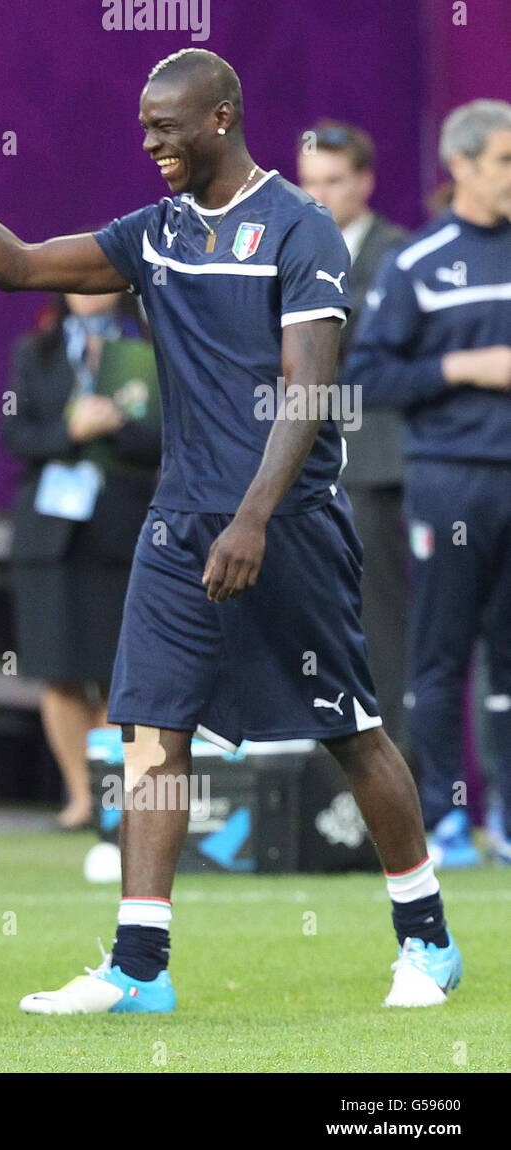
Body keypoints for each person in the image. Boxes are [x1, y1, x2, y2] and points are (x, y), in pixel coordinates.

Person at [0, 47, 461, 1013]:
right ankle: (140, 964)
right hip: (180, 524)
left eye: (166, 126)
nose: (150, 143)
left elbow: (309, 390)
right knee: (151, 728)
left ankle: (427, 940)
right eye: (143, 127)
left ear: (221, 117)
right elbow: (17, 264)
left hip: (289, 522)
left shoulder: (303, 231)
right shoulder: (156, 231)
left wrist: (255, 517)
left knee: (349, 732)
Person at [344, 99, 511, 868]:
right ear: (463, 166)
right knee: (440, 653)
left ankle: (504, 814)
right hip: (449, 484)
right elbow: (368, 373)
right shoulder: (418, 261)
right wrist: (465, 367)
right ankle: (446, 814)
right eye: (506, 161)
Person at [3, 292, 161, 830]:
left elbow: (168, 440)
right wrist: (71, 431)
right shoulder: (35, 351)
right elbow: (15, 434)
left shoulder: (148, 349)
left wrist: (115, 424)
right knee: (59, 671)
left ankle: (115, 796)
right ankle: (81, 796)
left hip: (120, 526)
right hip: (50, 533)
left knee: (117, 673)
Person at [296, 121, 411, 758]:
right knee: (308, 626)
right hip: (295, 468)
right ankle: (310, 787)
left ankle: (402, 779)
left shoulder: (400, 254)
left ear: (364, 182)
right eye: (308, 183)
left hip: (370, 469)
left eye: (333, 181)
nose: (319, 196)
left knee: (379, 628)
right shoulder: (285, 250)